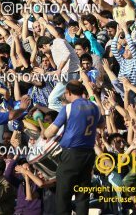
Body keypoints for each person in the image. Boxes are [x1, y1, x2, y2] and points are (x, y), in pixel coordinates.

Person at [43, 80, 103, 215]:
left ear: (68, 92)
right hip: (88, 154)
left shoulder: (68, 108)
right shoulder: (94, 107)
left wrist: (44, 133)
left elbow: (51, 132)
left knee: (63, 195)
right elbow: (102, 125)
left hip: (71, 154)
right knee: (82, 196)